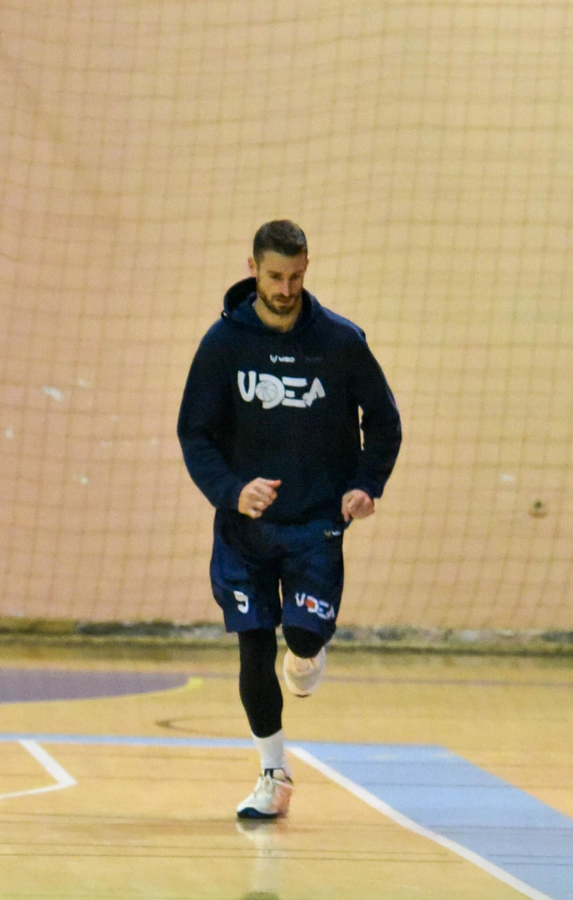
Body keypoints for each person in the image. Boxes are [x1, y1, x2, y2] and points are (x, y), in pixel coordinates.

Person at [176, 220, 401, 819]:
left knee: (300, 642)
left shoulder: (341, 342)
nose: (286, 287)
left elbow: (383, 422)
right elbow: (193, 433)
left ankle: (306, 651)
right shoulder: (222, 345)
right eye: (275, 276)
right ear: (252, 268)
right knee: (252, 649)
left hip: (315, 527)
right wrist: (231, 490)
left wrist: (364, 484)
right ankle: (273, 775)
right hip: (245, 532)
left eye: (296, 276)